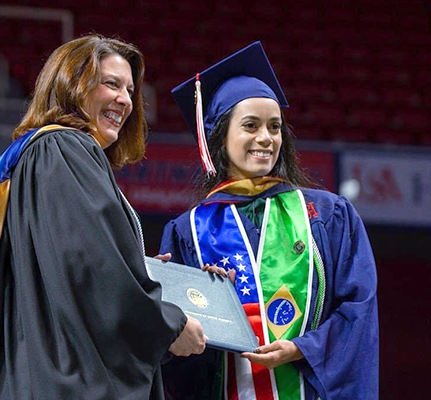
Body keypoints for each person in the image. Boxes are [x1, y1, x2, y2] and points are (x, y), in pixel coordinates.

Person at [0, 34, 206, 400]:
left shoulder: (39, 155)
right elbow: (92, 267)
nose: (125, 99)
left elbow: (68, 265)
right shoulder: (65, 149)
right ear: (72, 84)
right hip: (64, 378)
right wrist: (168, 324)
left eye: (130, 90)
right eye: (111, 84)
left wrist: (135, 265)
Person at [158, 42, 379, 400]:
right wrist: (207, 306)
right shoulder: (188, 231)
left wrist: (301, 348)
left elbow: (359, 310)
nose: (265, 138)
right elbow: (176, 349)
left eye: (274, 127)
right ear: (219, 135)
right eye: (250, 126)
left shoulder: (326, 215)